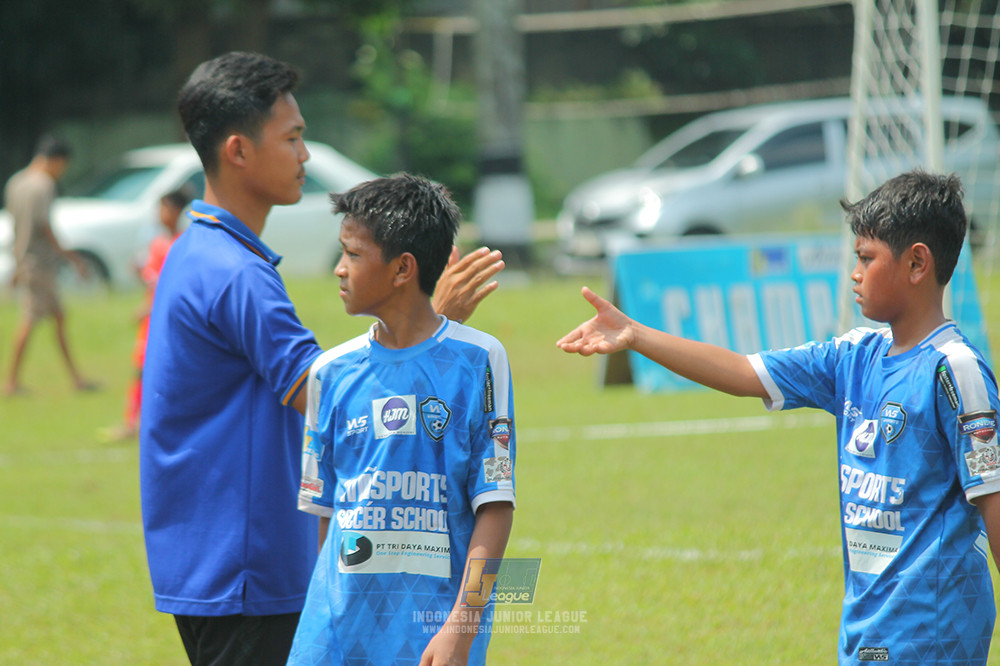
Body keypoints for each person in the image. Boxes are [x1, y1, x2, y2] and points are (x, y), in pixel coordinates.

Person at [139, 52, 505, 666]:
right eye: (293, 137)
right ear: (238, 151)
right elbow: (328, 393)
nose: (305, 154)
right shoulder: (235, 274)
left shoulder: (200, 250)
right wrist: (425, 321)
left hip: (215, 563)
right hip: (246, 571)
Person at [557, 170, 1000, 665]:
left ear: (917, 262)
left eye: (866, 258)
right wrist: (635, 334)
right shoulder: (853, 356)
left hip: (935, 634)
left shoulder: (954, 371)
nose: (854, 273)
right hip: (865, 632)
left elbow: (993, 503)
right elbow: (746, 372)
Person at [289, 173, 515, 666]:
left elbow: (495, 505)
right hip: (334, 639)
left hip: (431, 636)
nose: (338, 269)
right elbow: (327, 520)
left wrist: (461, 629)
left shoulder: (479, 361)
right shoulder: (329, 373)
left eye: (352, 254)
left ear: (402, 269)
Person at [4, 135, 98, 396]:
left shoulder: (16, 182)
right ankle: (10, 383)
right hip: (39, 263)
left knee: (57, 317)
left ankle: (76, 378)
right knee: (30, 320)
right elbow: (45, 227)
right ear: (56, 161)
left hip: (25, 260)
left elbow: (16, 227)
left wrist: (16, 263)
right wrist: (72, 257)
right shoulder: (43, 185)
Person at [104, 187, 192, 441]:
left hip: (169, 319)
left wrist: (148, 307)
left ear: (175, 211)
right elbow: (152, 281)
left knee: (169, 370)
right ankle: (133, 423)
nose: (159, 214)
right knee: (142, 370)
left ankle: (159, 422)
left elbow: (173, 286)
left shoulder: (180, 244)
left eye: (164, 208)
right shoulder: (157, 243)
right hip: (151, 320)